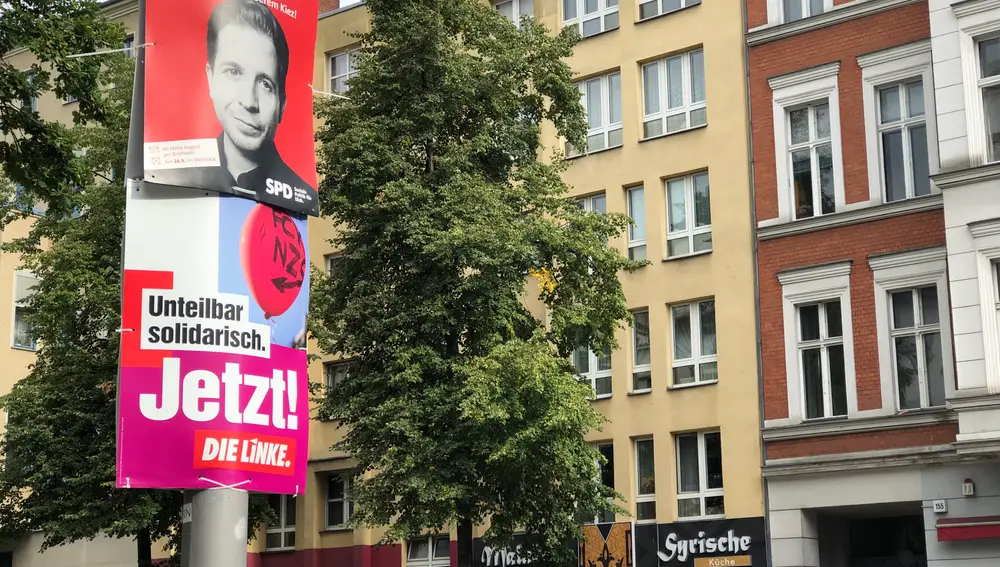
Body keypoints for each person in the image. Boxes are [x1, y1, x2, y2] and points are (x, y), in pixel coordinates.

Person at [145, 0, 317, 214]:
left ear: (282, 105)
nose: (249, 102)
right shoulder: (172, 173)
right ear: (211, 78)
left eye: (265, 84)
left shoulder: (301, 196)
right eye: (234, 72)